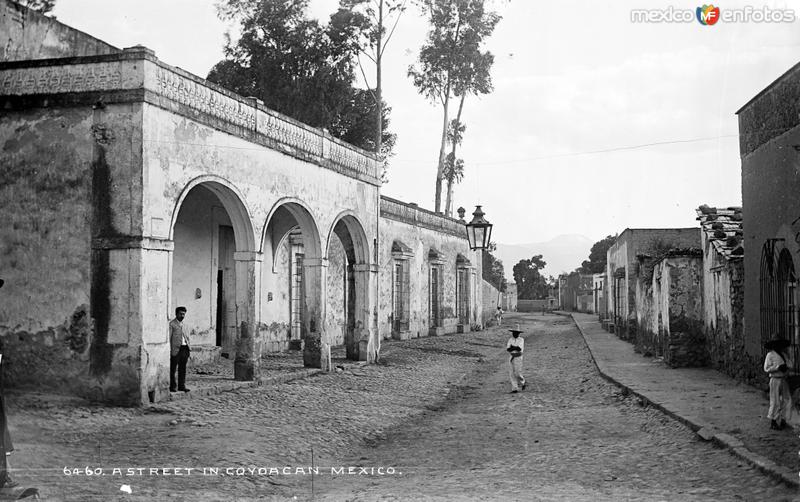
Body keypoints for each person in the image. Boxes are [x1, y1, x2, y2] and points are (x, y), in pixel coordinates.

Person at [764, 338, 792, 430]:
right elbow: (766, 368)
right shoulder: (770, 355)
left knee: (787, 400)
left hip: (783, 379)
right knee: (775, 400)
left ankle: (784, 420)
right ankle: (773, 421)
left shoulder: (784, 355)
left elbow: (790, 364)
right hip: (775, 379)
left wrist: (786, 367)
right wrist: (777, 367)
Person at [170, 307, 191, 393]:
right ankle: (172, 386)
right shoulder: (172, 324)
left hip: (185, 348)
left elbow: (188, 337)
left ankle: (181, 386)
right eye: (180, 314)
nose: (182, 316)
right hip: (175, 349)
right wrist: (170, 350)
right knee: (173, 369)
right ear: (176, 314)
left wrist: (189, 348)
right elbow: (169, 338)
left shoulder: (185, 325)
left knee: (183, 369)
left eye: (183, 314)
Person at [506, 324, 525, 393]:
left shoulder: (521, 340)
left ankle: (522, 382)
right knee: (511, 373)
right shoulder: (510, 339)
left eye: (516, 333)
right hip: (511, 357)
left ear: (519, 333)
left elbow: (519, 349)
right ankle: (514, 388)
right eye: (514, 333)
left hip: (518, 357)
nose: (515, 334)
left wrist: (512, 347)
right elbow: (508, 349)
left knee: (517, 372)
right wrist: (514, 347)